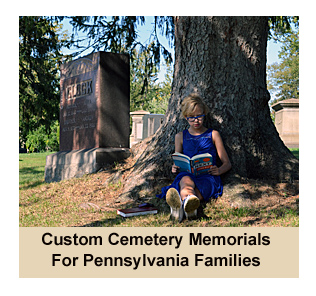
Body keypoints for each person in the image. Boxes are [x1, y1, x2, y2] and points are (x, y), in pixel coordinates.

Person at [157, 93, 231, 221]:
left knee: (199, 190)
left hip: (208, 176)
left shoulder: (213, 134)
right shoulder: (180, 136)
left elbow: (227, 163)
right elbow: (178, 160)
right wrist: (175, 168)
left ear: (204, 114)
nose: (196, 120)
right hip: (187, 174)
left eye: (199, 116)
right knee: (186, 181)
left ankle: (179, 207)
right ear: (185, 117)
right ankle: (189, 208)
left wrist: (219, 170)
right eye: (191, 117)